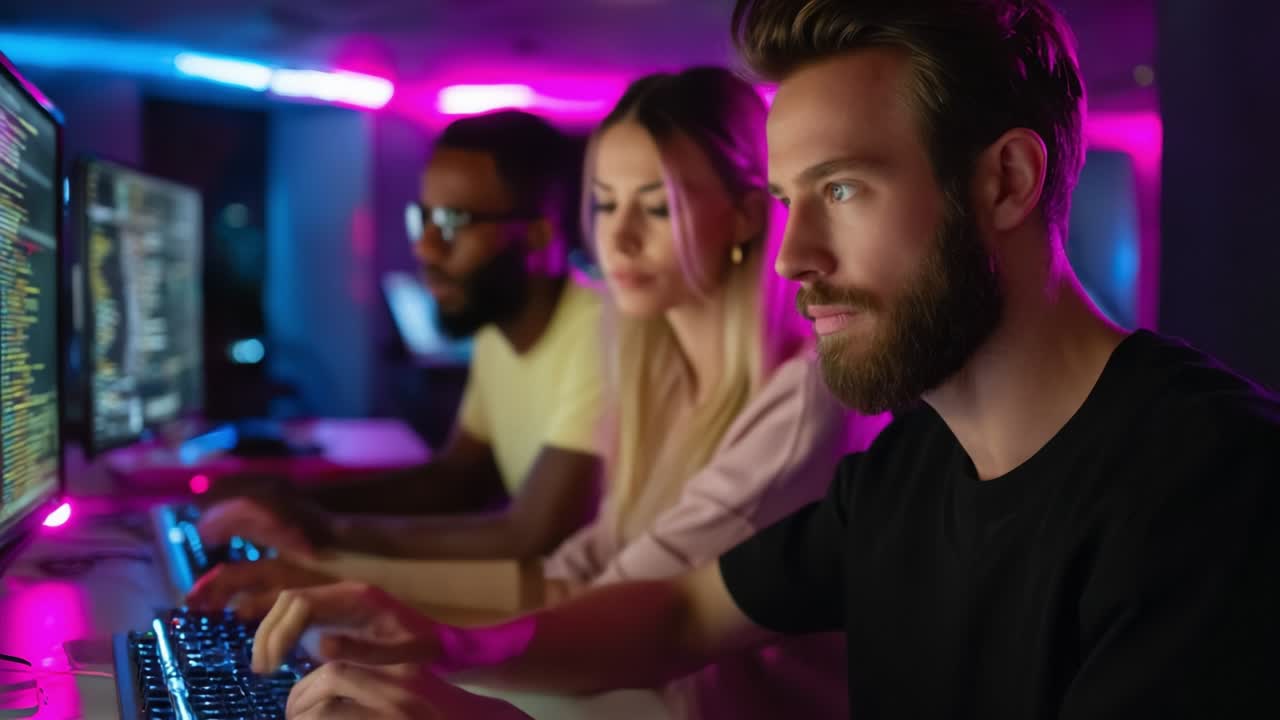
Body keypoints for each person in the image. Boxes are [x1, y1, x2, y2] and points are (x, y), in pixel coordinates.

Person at [248, 0, 1280, 718]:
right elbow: (684, 609)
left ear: (1006, 181)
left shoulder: (1206, 488)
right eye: (788, 202)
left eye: (839, 190)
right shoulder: (908, 466)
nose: (791, 259)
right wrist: (441, 643)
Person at [191, 67, 885, 718]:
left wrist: (334, 571)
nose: (620, 238)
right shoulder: (656, 370)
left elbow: (638, 606)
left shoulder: (804, 399)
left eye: (657, 207)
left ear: (742, 215)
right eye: (606, 204)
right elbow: (571, 570)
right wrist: (329, 578)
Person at [199, 110, 606, 561]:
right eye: (424, 218)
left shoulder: (600, 335)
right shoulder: (497, 329)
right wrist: (292, 500)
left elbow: (531, 537)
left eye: (453, 221)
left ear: (537, 236)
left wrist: (324, 530)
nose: (425, 247)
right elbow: (458, 478)